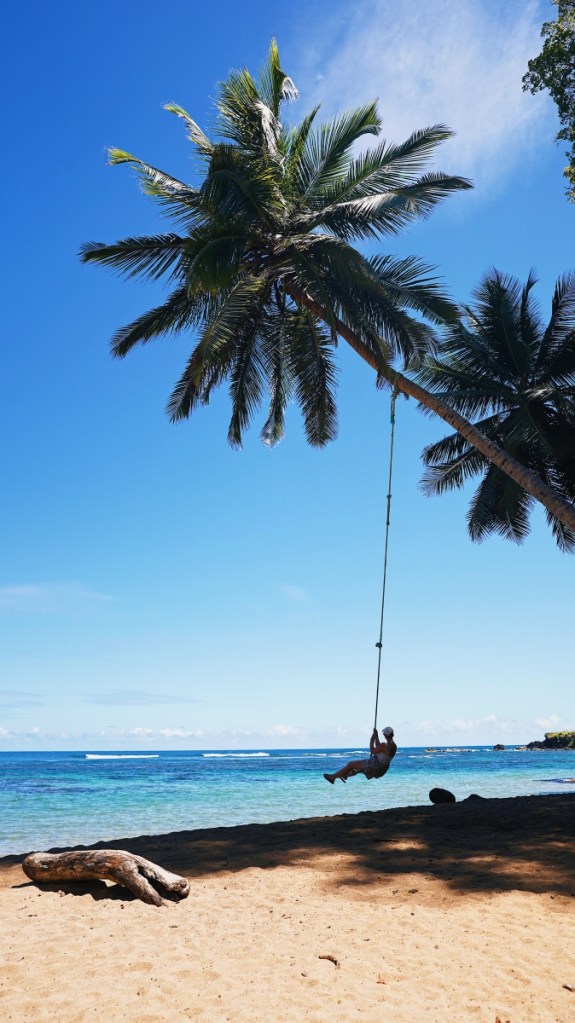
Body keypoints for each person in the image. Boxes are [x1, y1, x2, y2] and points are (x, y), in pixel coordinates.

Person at [323, 726, 396, 784]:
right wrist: (376, 736)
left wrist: (372, 739)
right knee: (358, 770)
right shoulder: (394, 746)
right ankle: (345, 775)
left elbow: (373, 751)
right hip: (382, 769)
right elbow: (379, 749)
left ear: (384, 735)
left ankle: (332, 777)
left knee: (351, 764)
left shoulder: (384, 745)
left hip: (375, 765)